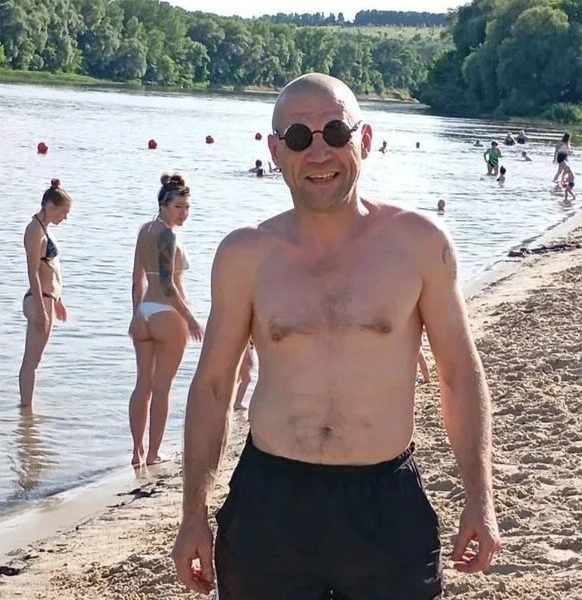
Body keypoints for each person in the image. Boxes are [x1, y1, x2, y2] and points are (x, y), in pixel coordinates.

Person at [172, 73, 500, 599]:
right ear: (276, 151)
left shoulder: (419, 244)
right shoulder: (245, 255)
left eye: (335, 133)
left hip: (383, 503)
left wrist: (480, 498)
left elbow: (460, 374)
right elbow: (212, 386)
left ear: (364, 140)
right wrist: (193, 514)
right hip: (270, 503)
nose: (318, 152)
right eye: (299, 138)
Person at [127, 174, 203, 467]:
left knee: (142, 385)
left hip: (146, 312)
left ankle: (137, 453)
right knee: (161, 387)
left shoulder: (144, 230)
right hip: (167, 314)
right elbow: (169, 285)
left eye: (187, 207)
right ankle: (153, 454)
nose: (184, 213)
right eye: (178, 207)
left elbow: (137, 279)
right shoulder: (167, 236)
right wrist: (191, 319)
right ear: (163, 206)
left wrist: (136, 313)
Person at [19, 179, 72, 408]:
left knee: (36, 360)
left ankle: (27, 411)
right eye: (63, 212)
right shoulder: (34, 230)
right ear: (50, 206)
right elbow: (33, 272)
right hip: (38, 300)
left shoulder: (44, 229)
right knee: (31, 360)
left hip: (48, 298)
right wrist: (42, 310)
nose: (65, 218)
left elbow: (49, 267)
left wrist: (58, 299)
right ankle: (26, 412)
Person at [233, 341, 255, 411]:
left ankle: (231, 400)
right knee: (246, 379)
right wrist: (248, 357)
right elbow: (245, 343)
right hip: (243, 357)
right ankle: (237, 403)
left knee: (237, 379)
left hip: (239, 355)